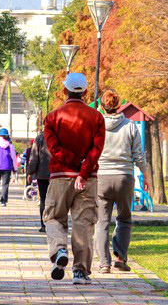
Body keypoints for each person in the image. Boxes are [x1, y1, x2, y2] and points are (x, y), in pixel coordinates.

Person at [43, 72, 105, 285]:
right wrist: (83, 171)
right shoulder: (96, 117)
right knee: (84, 224)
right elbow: (97, 150)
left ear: (64, 91)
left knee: (53, 217)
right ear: (86, 92)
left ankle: (59, 248)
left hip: (60, 176)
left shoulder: (52, 117)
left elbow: (54, 148)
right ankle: (80, 271)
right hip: (87, 179)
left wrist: (70, 164)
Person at [94, 89, 149, 274]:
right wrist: (146, 174)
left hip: (101, 177)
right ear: (119, 105)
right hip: (124, 177)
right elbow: (139, 156)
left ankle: (104, 263)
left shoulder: (96, 126)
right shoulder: (131, 126)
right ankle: (120, 257)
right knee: (124, 218)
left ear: (102, 106)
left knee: (102, 221)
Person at [27, 132, 51, 233]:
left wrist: (30, 172)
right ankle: (56, 224)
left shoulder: (40, 138)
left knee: (44, 199)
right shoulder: (61, 134)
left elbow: (34, 157)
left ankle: (44, 224)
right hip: (58, 174)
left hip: (43, 174)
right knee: (57, 200)